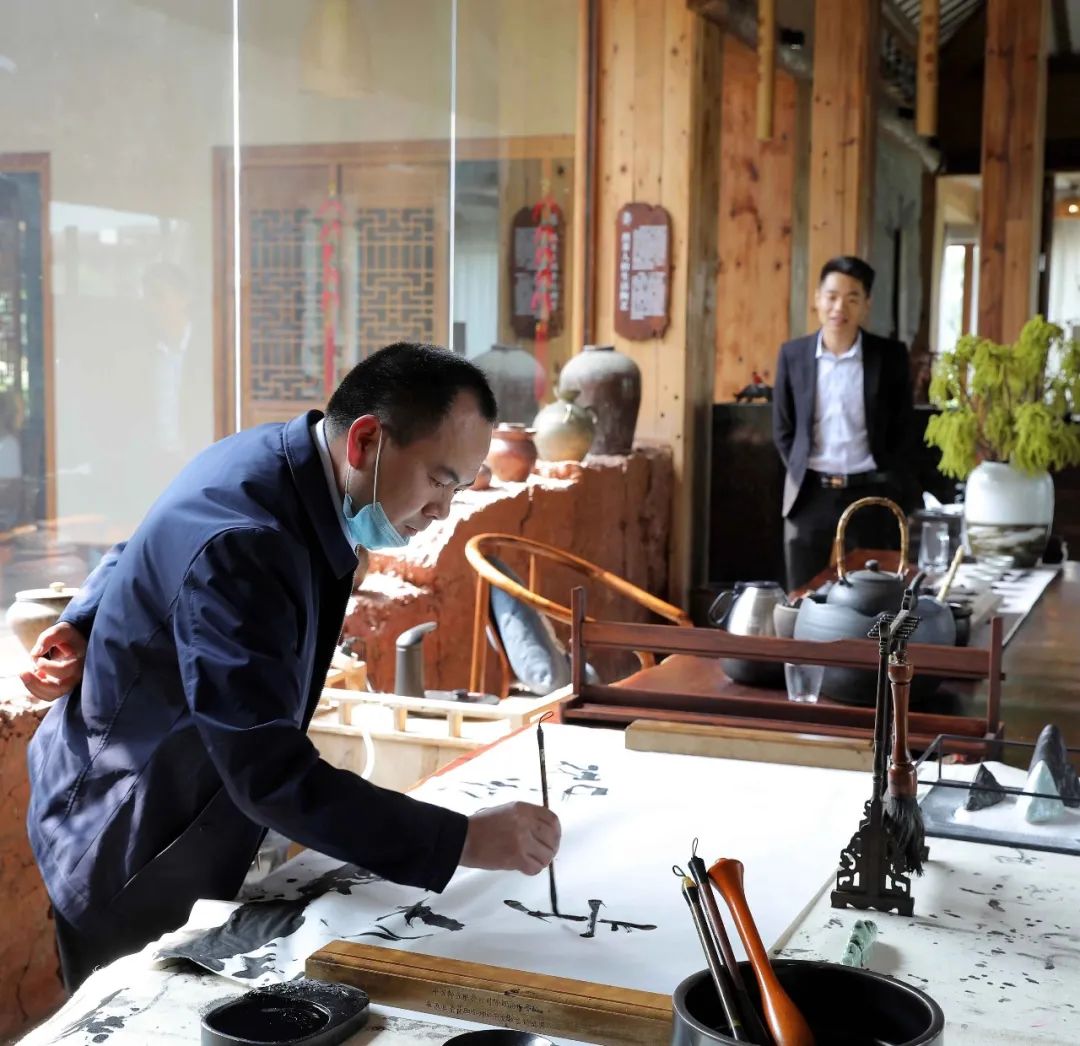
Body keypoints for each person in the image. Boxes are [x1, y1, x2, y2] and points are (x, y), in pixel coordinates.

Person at [23, 343, 561, 992]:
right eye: (439, 480)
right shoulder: (250, 541)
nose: (442, 509)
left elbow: (140, 544)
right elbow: (268, 771)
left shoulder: (275, 456)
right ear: (366, 441)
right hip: (127, 839)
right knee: (138, 1015)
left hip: (157, 795)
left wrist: (81, 620)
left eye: (460, 488)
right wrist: (463, 840)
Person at [772, 256, 914, 590]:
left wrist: (893, 482)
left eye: (852, 298)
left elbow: (903, 427)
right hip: (811, 494)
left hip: (871, 493)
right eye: (832, 296)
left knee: (873, 597)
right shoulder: (793, 355)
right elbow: (783, 428)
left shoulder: (889, 356)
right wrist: (800, 469)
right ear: (817, 299)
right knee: (804, 598)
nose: (839, 307)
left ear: (866, 305)